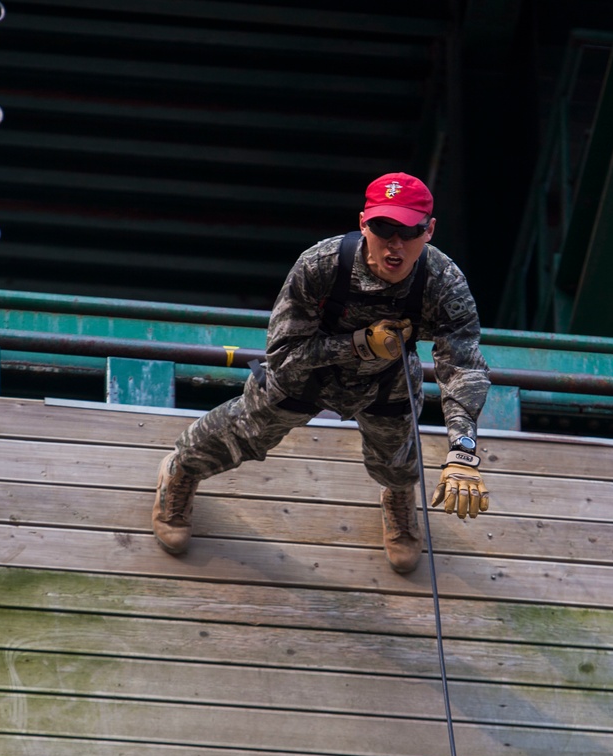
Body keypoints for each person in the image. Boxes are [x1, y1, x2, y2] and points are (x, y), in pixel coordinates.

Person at [152, 171, 490, 573]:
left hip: (387, 380)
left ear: (429, 230)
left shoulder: (444, 283)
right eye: (384, 228)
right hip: (306, 374)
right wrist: (359, 344)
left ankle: (398, 498)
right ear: (364, 222)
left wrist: (463, 451)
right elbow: (281, 354)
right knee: (244, 431)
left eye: (409, 231)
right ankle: (181, 472)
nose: (395, 244)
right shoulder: (321, 265)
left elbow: (463, 366)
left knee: (396, 457)